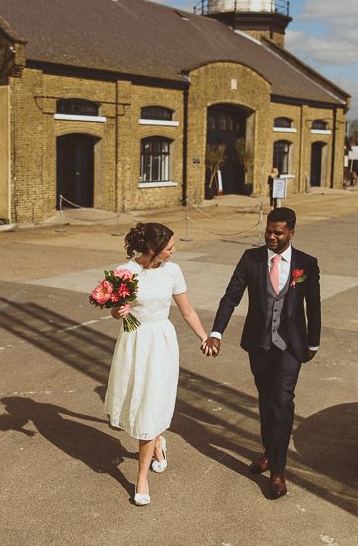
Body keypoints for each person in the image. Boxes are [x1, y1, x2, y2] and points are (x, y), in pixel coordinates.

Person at [202, 206, 321, 499]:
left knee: (282, 401)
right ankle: (268, 452)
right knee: (266, 401)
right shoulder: (251, 259)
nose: (270, 236)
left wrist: (313, 342)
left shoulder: (306, 263)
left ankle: (278, 471)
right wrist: (216, 332)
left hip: (291, 345)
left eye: (277, 232)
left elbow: (313, 306)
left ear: (291, 232)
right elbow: (231, 297)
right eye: (268, 231)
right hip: (259, 344)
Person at [105, 222, 211, 506]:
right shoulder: (125, 272)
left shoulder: (173, 271)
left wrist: (205, 337)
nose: (174, 251)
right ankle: (158, 443)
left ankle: (141, 478)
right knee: (139, 401)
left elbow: (187, 311)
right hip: (134, 341)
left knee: (152, 403)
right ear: (152, 250)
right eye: (169, 248)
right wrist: (117, 310)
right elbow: (117, 313)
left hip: (161, 342)